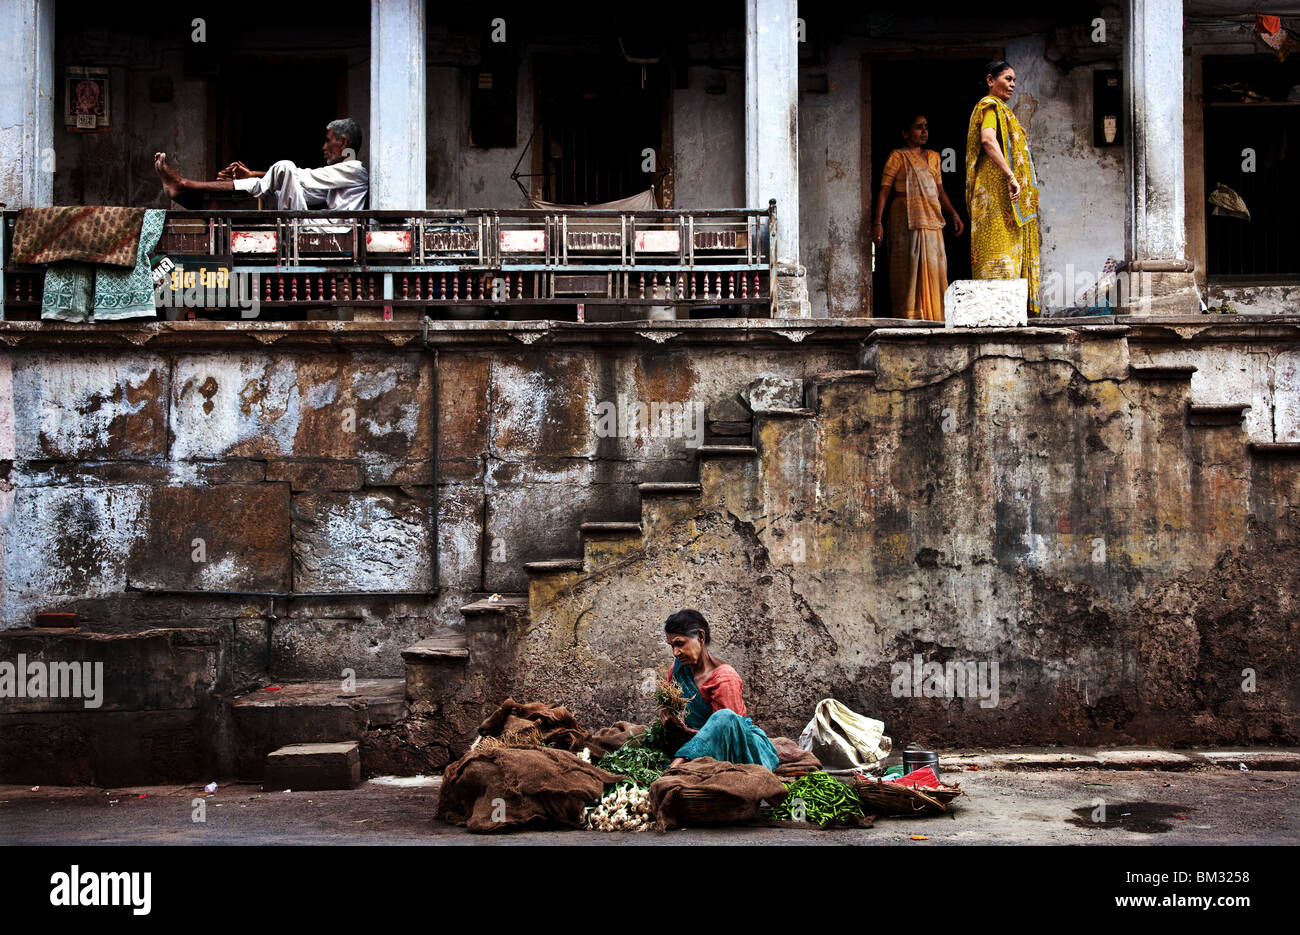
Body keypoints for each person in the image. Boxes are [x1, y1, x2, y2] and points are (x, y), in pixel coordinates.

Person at [154, 118, 368, 211]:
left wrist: (254, 174)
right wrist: (257, 180)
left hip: (332, 231)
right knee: (271, 192)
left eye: (328, 140)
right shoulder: (339, 177)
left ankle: (185, 184)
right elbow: (305, 192)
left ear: (343, 143)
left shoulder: (355, 170)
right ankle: (186, 189)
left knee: (284, 167)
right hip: (317, 226)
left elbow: (301, 176)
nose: (323, 147)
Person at [965, 61, 1041, 316]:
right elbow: (988, 139)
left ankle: (1005, 314)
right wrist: (1010, 175)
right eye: (1007, 78)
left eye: (1014, 80)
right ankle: (993, 314)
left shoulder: (1005, 112)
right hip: (995, 192)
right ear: (990, 80)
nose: (1013, 84)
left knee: (1008, 252)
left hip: (1007, 199)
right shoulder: (990, 107)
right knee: (997, 251)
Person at [872, 113, 964, 321]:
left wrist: (954, 214)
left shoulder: (934, 157)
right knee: (909, 270)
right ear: (905, 133)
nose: (924, 131)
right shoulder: (897, 156)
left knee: (934, 267)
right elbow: (884, 191)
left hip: (931, 219)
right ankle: (910, 318)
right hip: (904, 219)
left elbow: (940, 191)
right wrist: (877, 222)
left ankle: (935, 317)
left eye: (926, 127)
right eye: (918, 127)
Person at [661, 609, 779, 771]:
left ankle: (674, 769)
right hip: (692, 746)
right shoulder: (679, 670)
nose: (675, 652)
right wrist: (668, 718)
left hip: (740, 750)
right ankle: (683, 761)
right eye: (672, 646)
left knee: (725, 716)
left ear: (701, 637)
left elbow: (728, 732)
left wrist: (687, 734)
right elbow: (671, 709)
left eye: (680, 643)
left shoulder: (724, 678)